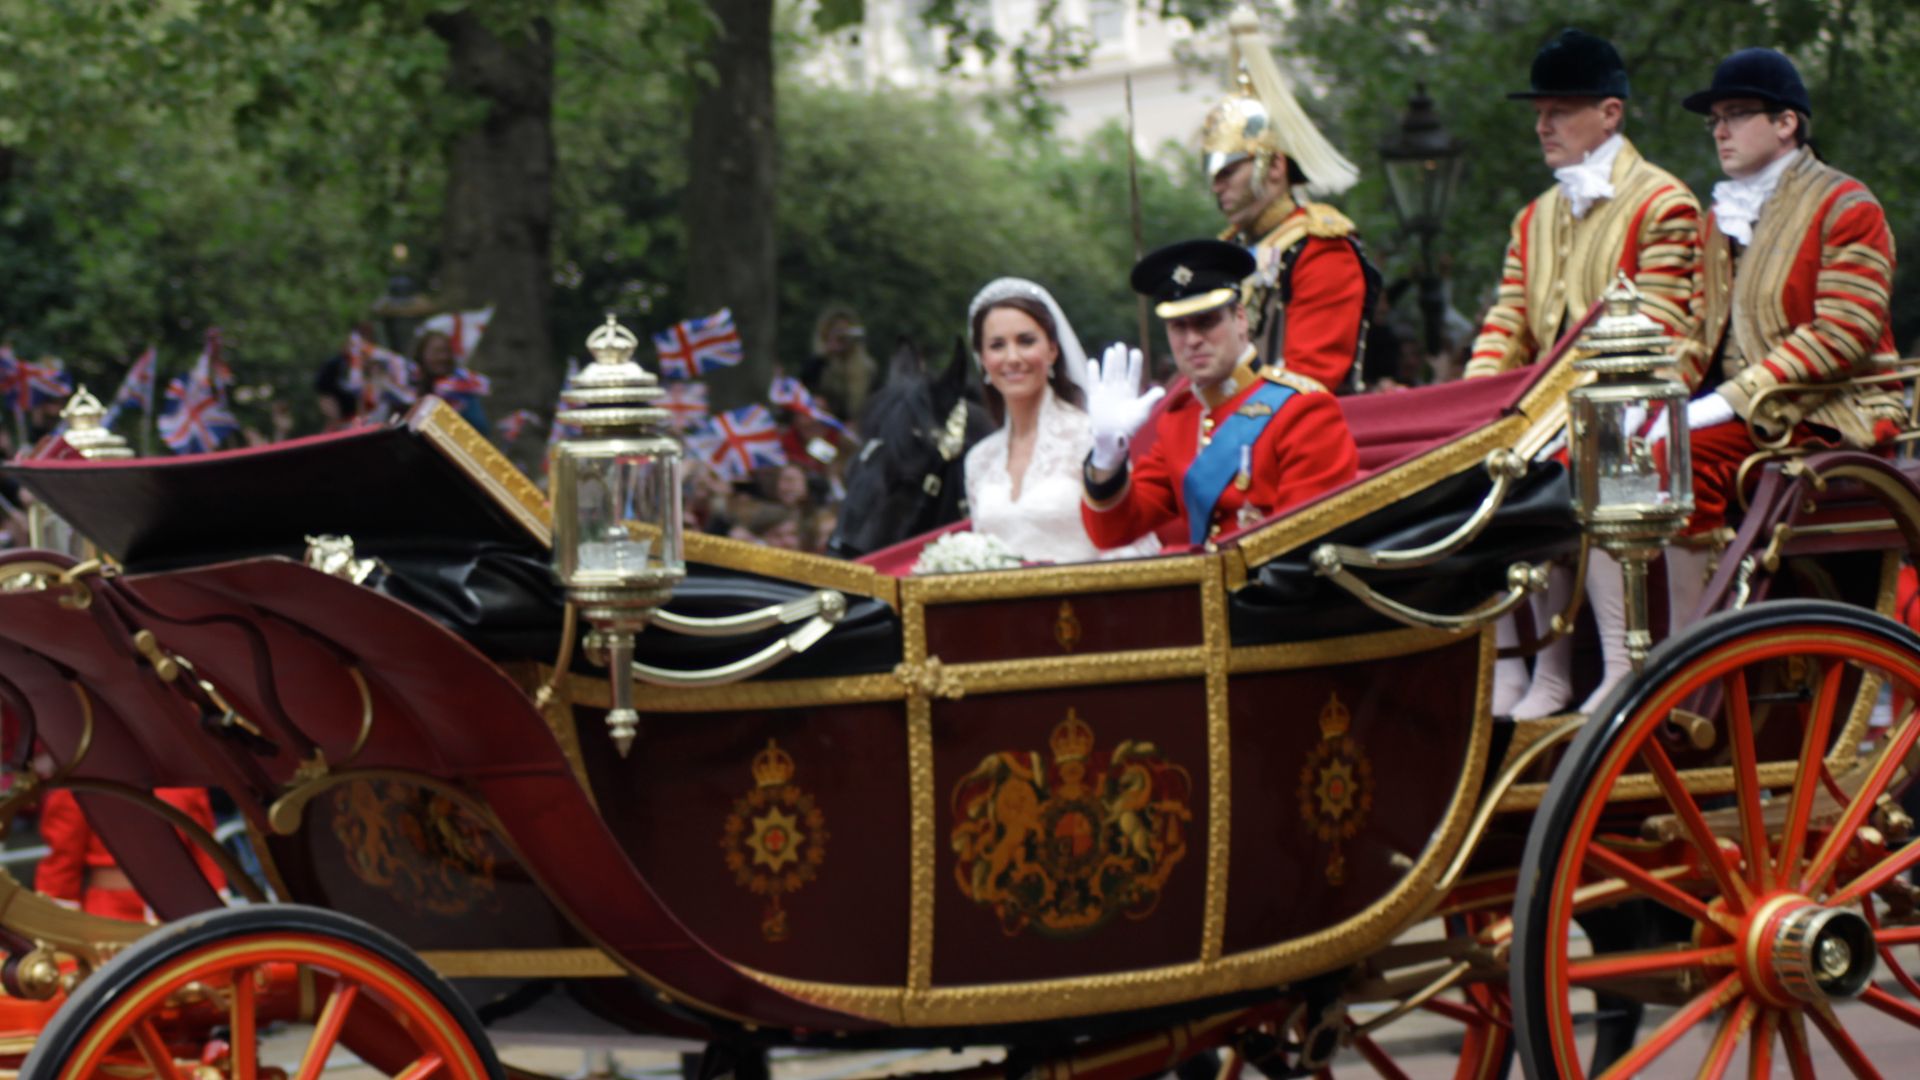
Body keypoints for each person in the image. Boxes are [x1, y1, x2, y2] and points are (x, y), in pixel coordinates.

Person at [1470, 29, 1704, 718]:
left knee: (1591, 452)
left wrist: (1547, 408)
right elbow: (1506, 322)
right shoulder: (1533, 217)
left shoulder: (1663, 202)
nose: (1543, 125)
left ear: (1610, 113)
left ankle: (1620, 660)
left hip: (1637, 404)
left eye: (1560, 110)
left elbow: (1661, 331)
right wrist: (1479, 405)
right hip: (1546, 408)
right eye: (1539, 112)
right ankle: (1534, 668)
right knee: (1477, 464)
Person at [1674, 49, 1903, 540]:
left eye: (1735, 115)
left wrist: (1727, 401)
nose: (1719, 131)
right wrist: (1658, 402)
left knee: (1672, 459)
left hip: (1831, 412)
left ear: (1785, 123)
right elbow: (1699, 329)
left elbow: (1844, 333)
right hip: (1751, 417)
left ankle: (1698, 618)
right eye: (1715, 120)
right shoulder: (1719, 219)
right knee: (1611, 460)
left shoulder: (1847, 206)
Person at [1082, 241, 1357, 550]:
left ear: (1240, 318)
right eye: (1178, 326)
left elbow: (1304, 548)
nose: (1193, 340)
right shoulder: (1180, 419)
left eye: (1207, 322)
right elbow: (1112, 532)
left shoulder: (1303, 410)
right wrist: (1107, 458)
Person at [1199, 6, 1378, 393]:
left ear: (1275, 167)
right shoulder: (1225, 250)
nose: (1217, 187)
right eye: (1213, 176)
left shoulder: (1319, 248)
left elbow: (1310, 377)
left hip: (1297, 433)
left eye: (1229, 172)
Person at [963, 278, 1158, 563]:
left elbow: (1130, 546)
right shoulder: (978, 459)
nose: (1013, 357)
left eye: (1026, 341)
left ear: (1052, 350)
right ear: (982, 358)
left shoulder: (1091, 439)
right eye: (997, 345)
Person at [35, 787, 227, 920]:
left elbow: (205, 851)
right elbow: (63, 863)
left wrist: (216, 903)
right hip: (110, 912)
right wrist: (60, 922)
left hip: (182, 909)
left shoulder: (183, 784)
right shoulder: (80, 785)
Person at [800, 305, 876, 424]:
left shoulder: (866, 368)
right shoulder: (817, 363)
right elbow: (805, 388)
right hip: (822, 425)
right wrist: (827, 353)